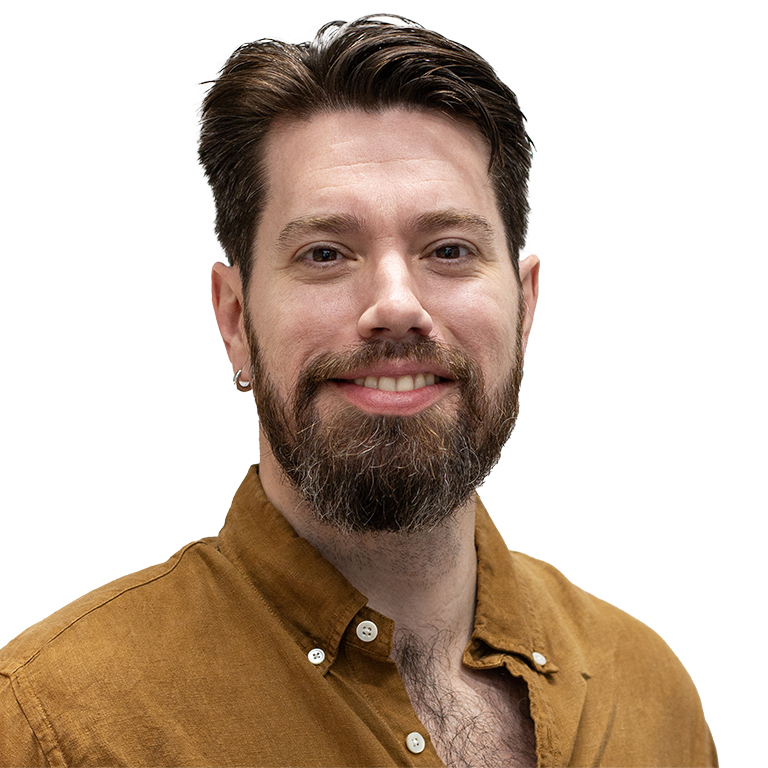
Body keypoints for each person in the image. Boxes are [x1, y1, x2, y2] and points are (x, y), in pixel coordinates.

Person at [0, 16, 716, 768]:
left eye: (449, 249)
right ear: (236, 320)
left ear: (524, 307)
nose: (396, 305)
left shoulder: (648, 693)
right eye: (325, 253)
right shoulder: (53, 723)